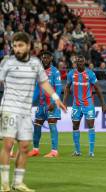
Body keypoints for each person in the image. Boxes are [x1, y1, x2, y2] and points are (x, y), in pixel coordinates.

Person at [0, 32, 66, 192]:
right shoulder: (7, 63)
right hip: (9, 107)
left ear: (28, 46)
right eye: (14, 46)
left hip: (25, 110)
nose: (17, 49)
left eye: (20, 45)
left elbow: (44, 83)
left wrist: (56, 98)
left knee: (24, 146)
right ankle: (4, 184)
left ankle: (18, 183)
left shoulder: (35, 64)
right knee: (8, 144)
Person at [63, 55, 106, 157]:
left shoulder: (90, 74)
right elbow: (67, 88)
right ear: (75, 63)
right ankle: (77, 151)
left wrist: (103, 103)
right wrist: (64, 102)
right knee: (75, 126)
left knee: (91, 125)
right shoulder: (71, 74)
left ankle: (91, 152)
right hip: (76, 105)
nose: (80, 63)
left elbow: (97, 89)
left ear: (84, 62)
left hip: (88, 104)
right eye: (78, 61)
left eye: (81, 62)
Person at [28, 51, 62, 158]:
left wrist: (54, 102)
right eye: (43, 58)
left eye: (47, 58)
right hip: (41, 105)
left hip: (52, 104)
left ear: (51, 58)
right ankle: (35, 149)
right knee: (37, 125)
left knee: (52, 124)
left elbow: (59, 88)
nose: (45, 60)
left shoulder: (55, 72)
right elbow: (37, 89)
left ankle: (54, 151)